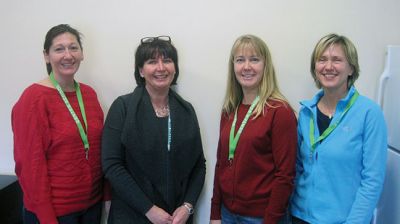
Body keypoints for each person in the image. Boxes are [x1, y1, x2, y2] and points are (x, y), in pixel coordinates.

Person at [101, 36, 206, 224]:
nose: (161, 67)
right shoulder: (123, 107)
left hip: (177, 218)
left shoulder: (186, 110)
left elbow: (199, 165)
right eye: (152, 62)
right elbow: (112, 165)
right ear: (141, 70)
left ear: (175, 68)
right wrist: (148, 209)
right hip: (132, 215)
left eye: (167, 60)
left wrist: (188, 207)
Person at [12, 24, 107, 224]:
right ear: (46, 56)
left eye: (73, 47)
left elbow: (101, 150)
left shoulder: (89, 94)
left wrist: (106, 198)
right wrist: (47, 217)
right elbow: (30, 167)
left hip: (91, 206)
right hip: (54, 213)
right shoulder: (34, 99)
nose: (68, 55)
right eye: (59, 49)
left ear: (82, 54)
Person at [290, 33, 387, 224]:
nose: (328, 66)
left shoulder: (369, 113)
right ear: (315, 68)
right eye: (322, 59)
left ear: (351, 68)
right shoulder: (305, 113)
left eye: (337, 60)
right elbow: (299, 167)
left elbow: (372, 181)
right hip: (299, 217)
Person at [210, 34, 297, 224]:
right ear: (233, 66)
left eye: (254, 59)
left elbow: (285, 176)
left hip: (262, 217)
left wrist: (270, 220)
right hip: (227, 214)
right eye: (240, 60)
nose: (247, 67)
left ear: (265, 66)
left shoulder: (279, 111)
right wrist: (215, 213)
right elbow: (221, 164)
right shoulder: (229, 110)